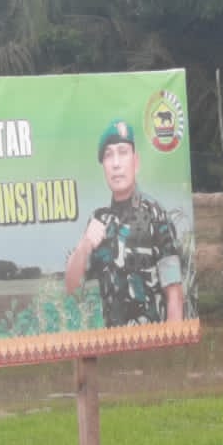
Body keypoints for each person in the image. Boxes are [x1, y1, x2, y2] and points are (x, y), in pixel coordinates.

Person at [64, 120, 188, 327]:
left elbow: (174, 293)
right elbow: (71, 286)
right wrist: (84, 245)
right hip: (112, 348)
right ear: (103, 166)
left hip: (151, 347)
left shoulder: (155, 215)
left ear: (135, 161)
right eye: (108, 155)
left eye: (122, 152)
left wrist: (170, 350)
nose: (116, 163)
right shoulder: (98, 221)